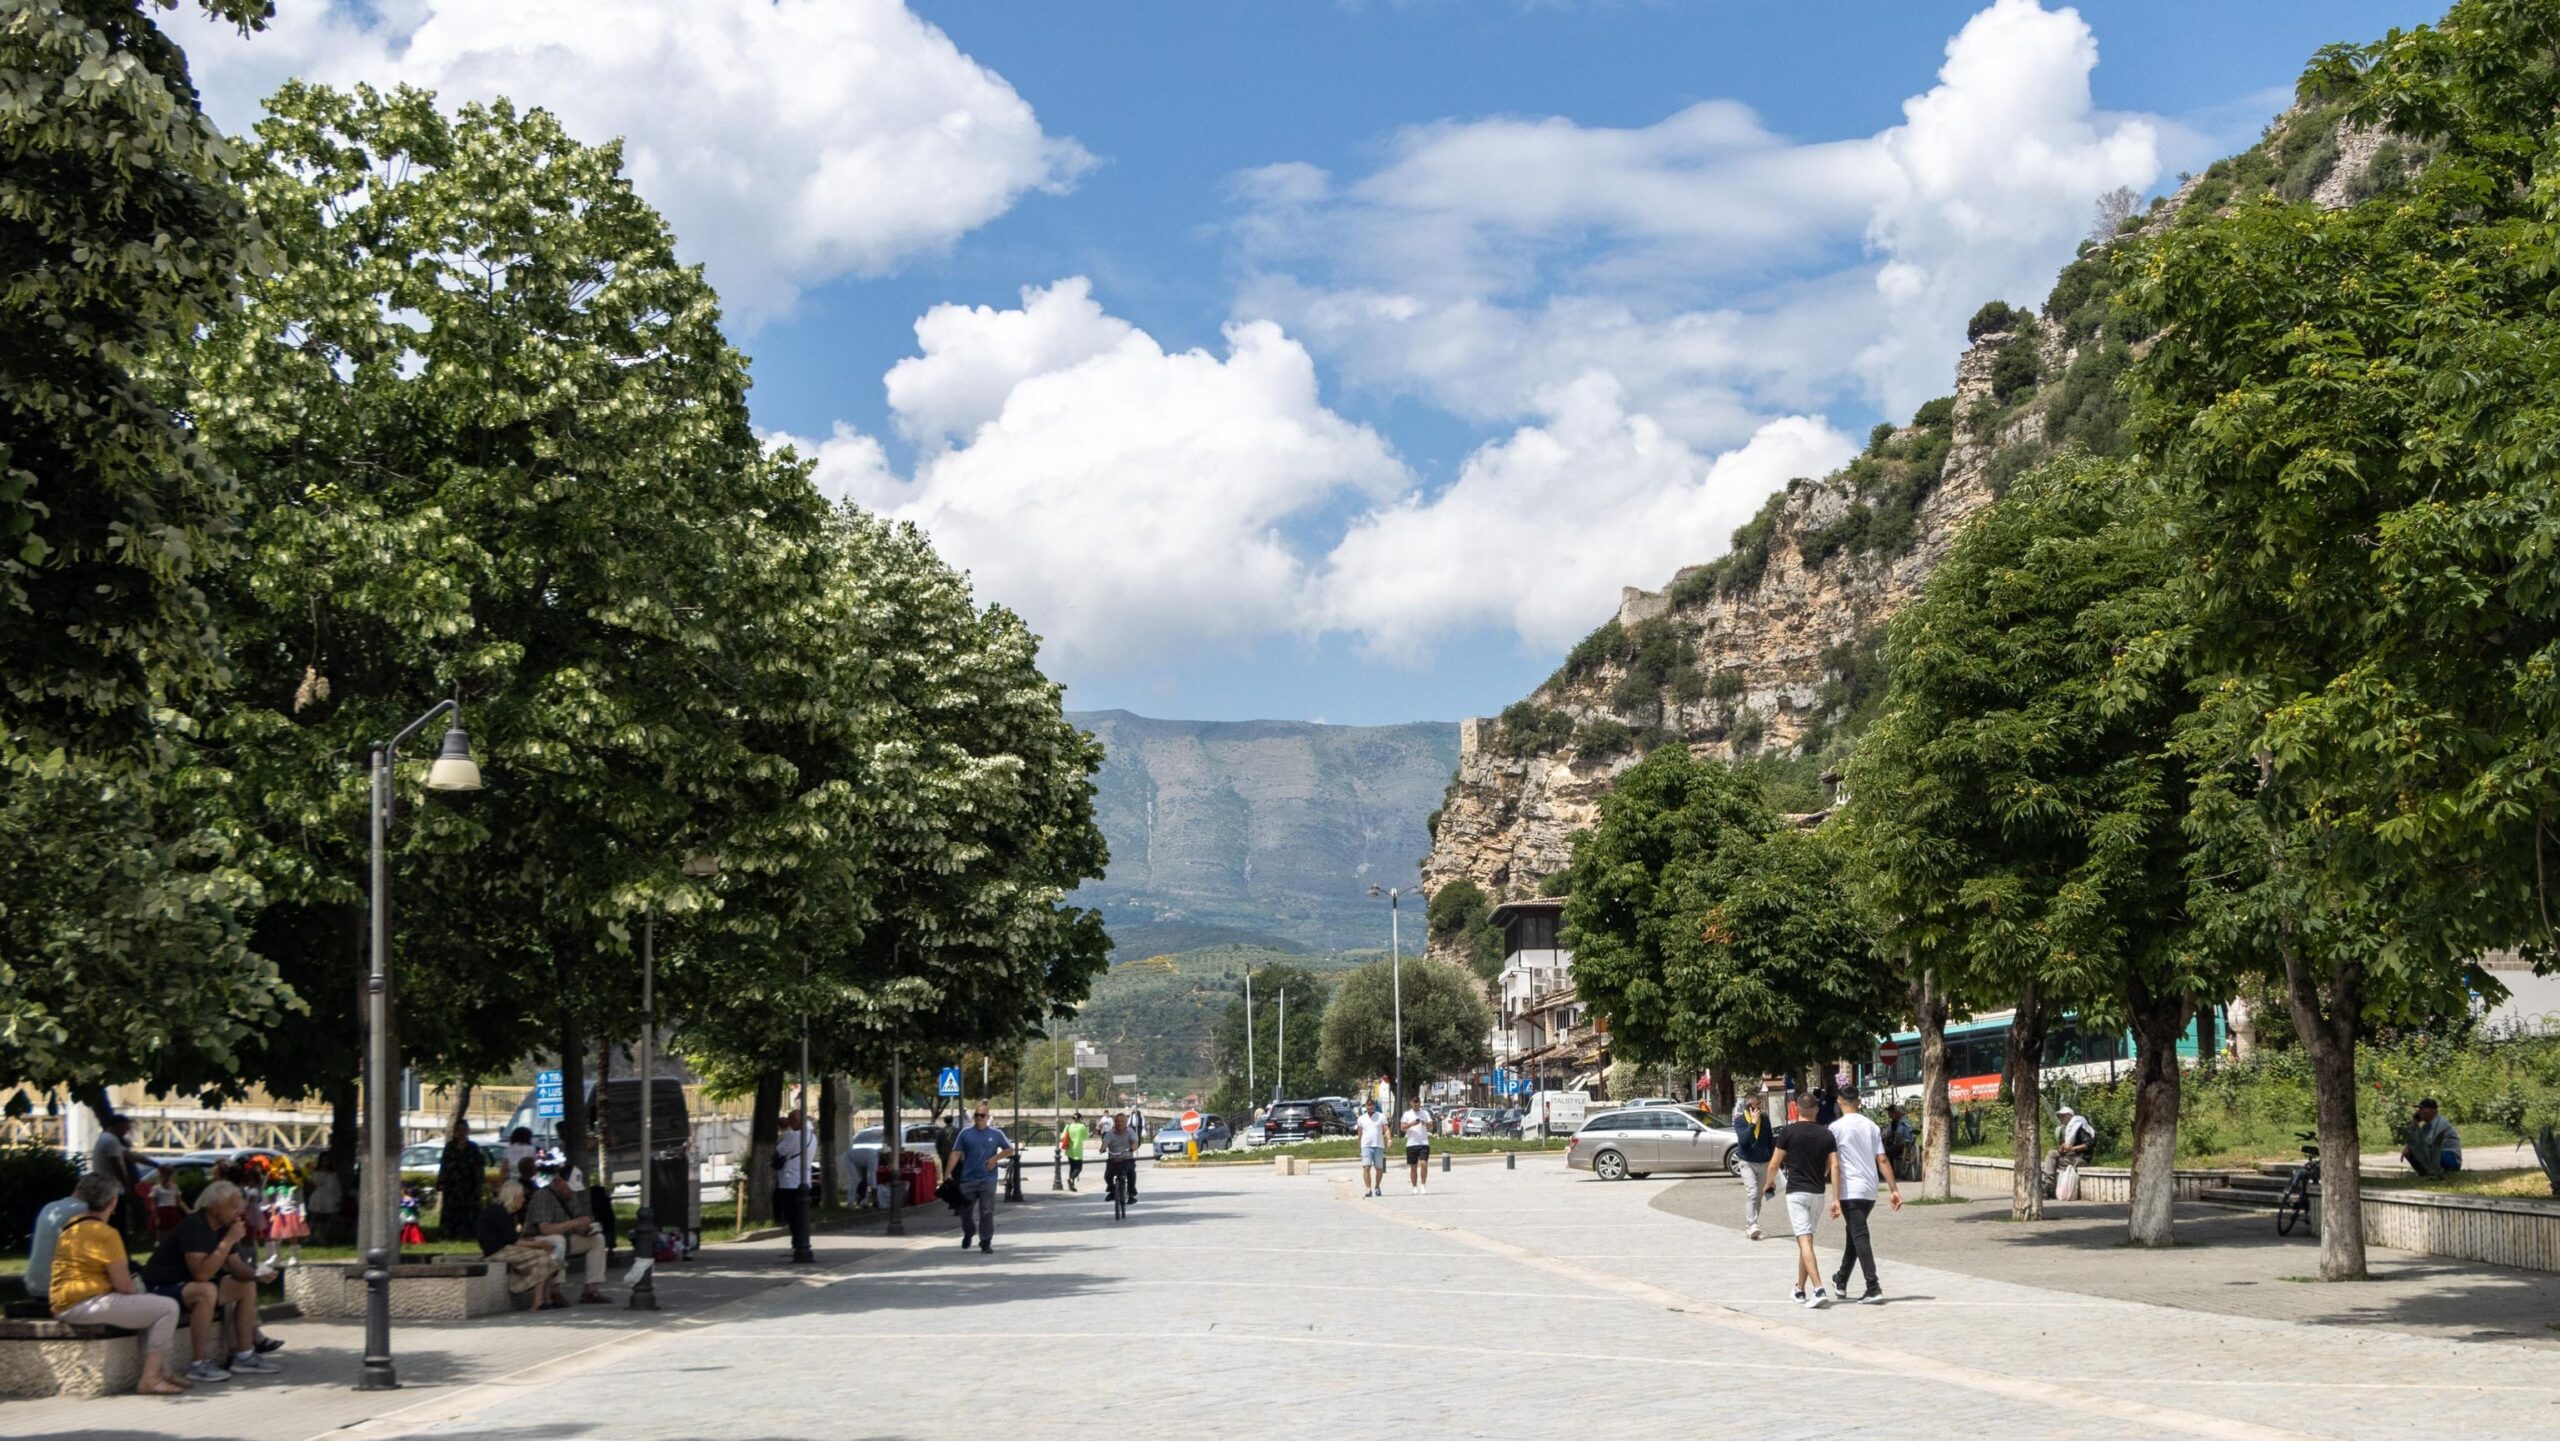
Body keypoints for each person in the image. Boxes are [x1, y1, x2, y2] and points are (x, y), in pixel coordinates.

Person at [49, 1173, 191, 1395]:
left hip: (65, 1302)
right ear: (113, 1201)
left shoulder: (71, 1225)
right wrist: (139, 1292)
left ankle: (164, 1371)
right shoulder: (106, 1234)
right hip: (87, 1303)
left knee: (152, 1307)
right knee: (168, 1307)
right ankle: (150, 1378)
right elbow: (124, 1286)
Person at [139, 1178, 283, 1381]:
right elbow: (201, 1274)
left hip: (189, 1285)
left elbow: (236, 1266)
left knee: (245, 1285)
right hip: (161, 1287)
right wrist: (228, 1240)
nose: (238, 1212)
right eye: (233, 1207)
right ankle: (198, 1364)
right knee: (206, 1290)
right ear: (215, 1207)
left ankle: (244, 1355)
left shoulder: (226, 1227)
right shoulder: (195, 1225)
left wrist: (256, 1274)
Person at [1762, 1105, 1841, 1308]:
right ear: (1815, 1109)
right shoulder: (1826, 1133)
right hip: (1817, 1193)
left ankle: (1819, 1289)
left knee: (1804, 1241)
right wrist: (1836, 1198)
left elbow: (1774, 1163)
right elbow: (1834, 1165)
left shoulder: (1789, 1132)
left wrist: (1769, 1182)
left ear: (1798, 1108)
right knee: (1806, 1242)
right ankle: (1800, 1289)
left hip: (1796, 1192)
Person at [1825, 1089, 1900, 1303]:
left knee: (1859, 1235)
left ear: (1839, 1102)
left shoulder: (1835, 1128)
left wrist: (1835, 1197)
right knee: (1854, 1235)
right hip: (1869, 1190)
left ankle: (1873, 1286)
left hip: (1850, 1191)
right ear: (1858, 1101)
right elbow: (1883, 1160)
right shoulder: (1871, 1126)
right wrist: (1894, 1189)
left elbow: (1834, 1164)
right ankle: (1840, 1279)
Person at [526, 1168, 610, 1302]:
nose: (571, 1191)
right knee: (558, 1240)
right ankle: (555, 1289)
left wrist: (585, 1229)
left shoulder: (571, 1196)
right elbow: (545, 1229)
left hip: (566, 1238)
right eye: (569, 1187)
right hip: (538, 1241)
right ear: (559, 1181)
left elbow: (576, 1219)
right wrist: (573, 1223)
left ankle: (591, 1289)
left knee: (597, 1239)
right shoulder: (542, 1196)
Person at [477, 1180, 563, 1310]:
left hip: (505, 1248)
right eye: (522, 1196)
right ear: (514, 1196)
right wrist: (540, 1243)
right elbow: (513, 1241)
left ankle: (545, 1300)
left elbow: (510, 1238)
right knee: (542, 1256)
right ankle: (537, 1302)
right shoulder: (499, 1212)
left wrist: (533, 1242)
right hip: (497, 1252)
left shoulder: (507, 1213)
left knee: (547, 1257)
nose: (523, 1200)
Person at [948, 1105, 1016, 1252]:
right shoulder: (965, 1134)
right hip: (968, 1179)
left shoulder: (996, 1134)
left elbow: (1010, 1150)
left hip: (988, 1179)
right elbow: (955, 1154)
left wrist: (995, 1158)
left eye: (982, 1116)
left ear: (987, 1117)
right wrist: (948, 1173)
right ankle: (969, 1231)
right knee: (964, 1210)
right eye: (977, 1115)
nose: (979, 1118)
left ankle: (985, 1241)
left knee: (986, 1211)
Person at [774, 1107, 817, 1263]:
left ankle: (798, 1245)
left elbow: (780, 1150)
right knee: (801, 1215)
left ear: (796, 1121)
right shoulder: (812, 1136)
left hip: (790, 1180)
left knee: (792, 1216)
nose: (789, 1123)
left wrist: (784, 1136)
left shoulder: (794, 1136)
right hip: (804, 1180)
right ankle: (800, 1244)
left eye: (791, 1120)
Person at [1731, 1092, 1776, 1241]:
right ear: (1750, 1107)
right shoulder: (1740, 1121)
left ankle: (1753, 1223)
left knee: (1758, 1196)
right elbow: (1744, 1141)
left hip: (1764, 1161)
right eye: (1757, 1106)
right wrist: (1752, 1124)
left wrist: (1774, 1161)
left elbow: (1770, 1140)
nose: (1760, 1108)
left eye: (1761, 1105)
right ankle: (1752, 1225)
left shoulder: (1765, 1120)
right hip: (1747, 1162)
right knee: (1752, 1192)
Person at [437, 1116, 486, 1242]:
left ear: (467, 1131)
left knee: (469, 1210)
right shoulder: (450, 1147)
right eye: (458, 1129)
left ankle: (468, 1234)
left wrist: (480, 1183)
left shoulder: (473, 1147)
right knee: (451, 1209)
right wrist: (441, 1182)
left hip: (469, 1184)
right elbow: (444, 1165)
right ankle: (449, 1233)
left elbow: (479, 1166)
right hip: (452, 1184)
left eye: (464, 1129)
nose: (461, 1132)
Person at [2044, 1104, 2096, 1193]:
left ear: (2069, 1116)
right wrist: (2062, 1149)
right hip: (2072, 1156)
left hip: (2081, 1158)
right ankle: (2049, 1185)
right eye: (2059, 1117)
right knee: (2052, 1154)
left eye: (2063, 1116)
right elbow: (2068, 1144)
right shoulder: (2071, 1128)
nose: (2061, 1119)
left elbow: (2089, 1144)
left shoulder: (2080, 1127)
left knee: (2051, 1160)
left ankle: (2048, 1187)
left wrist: (2072, 1148)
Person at [2403, 1098, 2463, 1175]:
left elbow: (2428, 1144)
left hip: (2451, 1159)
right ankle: (2425, 1174)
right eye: (2419, 1109)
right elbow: (2412, 1141)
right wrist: (2414, 1124)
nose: (2420, 1111)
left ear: (2433, 1110)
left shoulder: (2441, 1123)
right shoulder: (2426, 1126)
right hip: (2437, 1156)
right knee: (2409, 1152)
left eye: (2423, 1108)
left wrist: (2410, 1147)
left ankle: (2438, 1173)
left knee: (2424, 1150)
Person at [1098, 1113, 1139, 1205]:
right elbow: (1105, 1143)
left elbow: (1135, 1142)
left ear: (1125, 1122)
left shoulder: (1130, 1132)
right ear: (1114, 1122)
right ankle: (1112, 1191)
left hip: (1127, 1159)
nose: (1119, 1123)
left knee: (1131, 1174)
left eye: (1122, 1121)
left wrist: (1133, 1147)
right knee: (1107, 1176)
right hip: (1113, 1159)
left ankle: (1131, 1195)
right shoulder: (1110, 1133)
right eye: (1117, 1121)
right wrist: (1102, 1148)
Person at [1355, 1101, 1390, 1198]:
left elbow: (1386, 1129)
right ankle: (1368, 1189)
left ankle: (1377, 1186)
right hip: (1366, 1146)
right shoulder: (1361, 1118)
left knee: (1379, 1169)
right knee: (1366, 1167)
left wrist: (1389, 1139)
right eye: (1368, 1107)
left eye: (1372, 1107)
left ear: (1374, 1107)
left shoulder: (1381, 1116)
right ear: (1366, 1107)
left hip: (1378, 1145)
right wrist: (1360, 1145)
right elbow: (1360, 1133)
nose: (1370, 1109)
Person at [1401, 1103, 1433, 1195]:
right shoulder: (1407, 1114)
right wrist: (1411, 1124)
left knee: (1423, 1164)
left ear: (1419, 1104)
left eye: (1418, 1105)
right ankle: (1414, 1187)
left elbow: (1431, 1125)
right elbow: (1402, 1127)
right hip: (1411, 1144)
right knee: (1413, 1167)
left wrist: (1425, 1123)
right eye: (1414, 1105)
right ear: (1411, 1104)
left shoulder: (1425, 1113)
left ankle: (1423, 1185)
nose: (1416, 1106)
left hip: (1423, 1143)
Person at [845, 1133, 881, 1210]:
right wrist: (875, 1196)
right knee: (856, 1180)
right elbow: (872, 1176)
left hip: (860, 1161)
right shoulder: (873, 1158)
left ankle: (863, 1202)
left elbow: (869, 1178)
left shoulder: (874, 1155)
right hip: (849, 1158)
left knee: (863, 1180)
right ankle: (850, 1202)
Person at [1060, 1112, 1090, 1192]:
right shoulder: (1082, 1127)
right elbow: (1085, 1137)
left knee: (1072, 1167)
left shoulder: (1068, 1126)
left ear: (1073, 1119)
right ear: (1080, 1119)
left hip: (1069, 1149)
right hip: (1078, 1150)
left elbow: (1062, 1136)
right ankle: (1071, 1179)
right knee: (1078, 1168)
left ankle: (1071, 1186)